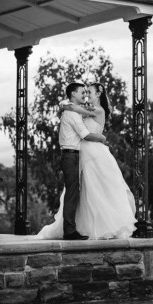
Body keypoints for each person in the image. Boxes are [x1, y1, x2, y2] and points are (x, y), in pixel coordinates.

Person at [36, 82, 137, 240]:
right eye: (85, 92)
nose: (87, 94)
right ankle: (82, 226)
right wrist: (65, 104)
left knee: (96, 189)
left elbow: (75, 110)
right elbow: (75, 114)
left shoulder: (96, 110)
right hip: (82, 152)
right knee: (83, 192)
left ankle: (102, 225)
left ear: (98, 94)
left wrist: (66, 104)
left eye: (89, 92)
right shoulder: (86, 111)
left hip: (92, 153)